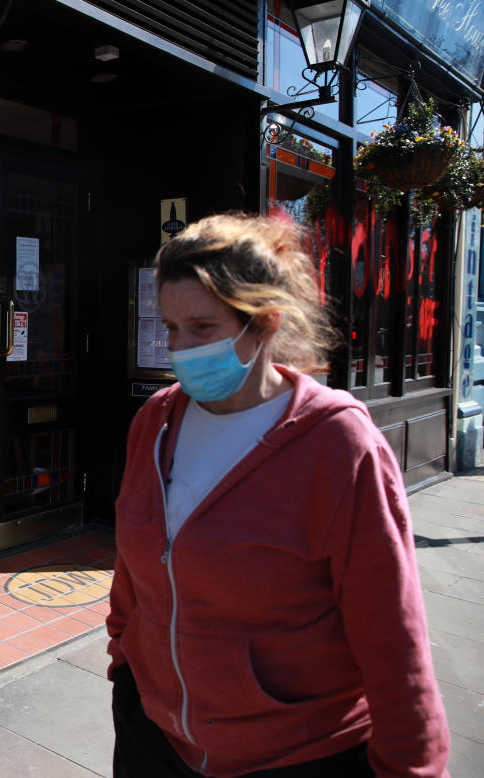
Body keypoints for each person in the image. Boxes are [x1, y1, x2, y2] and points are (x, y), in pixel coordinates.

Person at [107, 213, 451, 778]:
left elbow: (392, 632)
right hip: (154, 737)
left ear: (264, 324)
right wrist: (126, 654)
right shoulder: (156, 420)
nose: (180, 348)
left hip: (295, 754)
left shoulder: (339, 443)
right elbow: (136, 555)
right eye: (171, 328)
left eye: (202, 327)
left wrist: (412, 767)